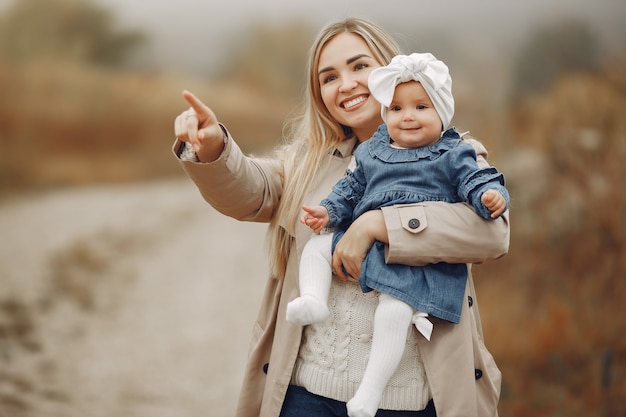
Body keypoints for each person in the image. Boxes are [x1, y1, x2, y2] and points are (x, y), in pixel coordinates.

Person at [173, 17, 509, 417]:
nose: (345, 84)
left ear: (389, 71)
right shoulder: (308, 162)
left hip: (410, 402)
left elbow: (491, 234)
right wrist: (214, 150)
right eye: (329, 77)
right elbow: (251, 191)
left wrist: (377, 225)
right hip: (306, 395)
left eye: (359, 66)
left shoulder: (451, 152)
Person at [286, 52, 509, 417]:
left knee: (394, 312)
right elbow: (350, 188)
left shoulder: (453, 153)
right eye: (397, 109)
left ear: (442, 113)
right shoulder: (373, 151)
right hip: (367, 250)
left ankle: (371, 390)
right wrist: (328, 211)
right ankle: (314, 299)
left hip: (413, 261)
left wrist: (489, 197)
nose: (408, 116)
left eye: (421, 107)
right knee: (317, 246)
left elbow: (477, 182)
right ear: (386, 114)